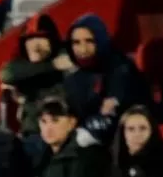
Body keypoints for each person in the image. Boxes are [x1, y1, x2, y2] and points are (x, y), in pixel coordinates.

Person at [62, 14, 153, 147]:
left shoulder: (122, 69)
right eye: (76, 42)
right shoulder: (73, 79)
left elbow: (115, 113)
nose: (83, 49)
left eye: (89, 41)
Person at [0, 13, 70, 136]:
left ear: (51, 41)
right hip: (32, 133)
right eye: (30, 39)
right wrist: (51, 65)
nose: (35, 44)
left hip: (62, 130)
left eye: (41, 38)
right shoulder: (20, 65)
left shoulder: (64, 54)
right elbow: (6, 74)